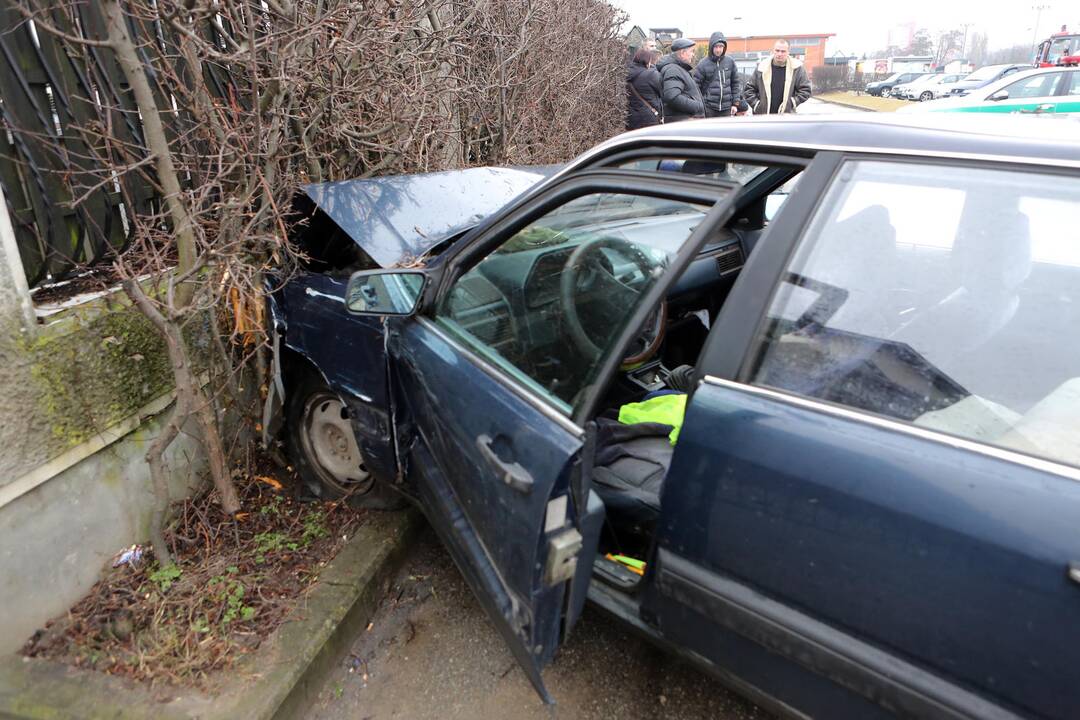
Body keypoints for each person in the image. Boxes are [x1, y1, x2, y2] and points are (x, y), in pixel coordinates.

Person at [744, 39, 812, 115]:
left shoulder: (796, 68)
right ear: (773, 51)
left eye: (783, 51)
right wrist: (757, 106)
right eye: (777, 50)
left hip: (786, 117)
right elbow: (749, 90)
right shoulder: (762, 67)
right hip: (763, 117)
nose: (779, 54)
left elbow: (806, 90)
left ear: (788, 52)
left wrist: (791, 103)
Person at [692, 32, 742, 117]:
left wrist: (735, 104)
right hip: (709, 108)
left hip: (727, 108)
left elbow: (735, 84)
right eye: (716, 47)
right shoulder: (703, 64)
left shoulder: (730, 62)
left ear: (724, 47)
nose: (718, 50)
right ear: (711, 47)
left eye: (721, 47)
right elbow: (695, 87)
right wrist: (700, 105)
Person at [656, 38, 705, 122]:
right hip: (682, 122)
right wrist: (698, 106)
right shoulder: (673, 70)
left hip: (684, 121)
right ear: (682, 53)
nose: (693, 55)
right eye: (691, 51)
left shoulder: (678, 69)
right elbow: (672, 97)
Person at [626, 49, 663, 130]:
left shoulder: (626, 74)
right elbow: (663, 92)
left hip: (631, 119)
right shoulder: (651, 75)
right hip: (649, 119)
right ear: (647, 61)